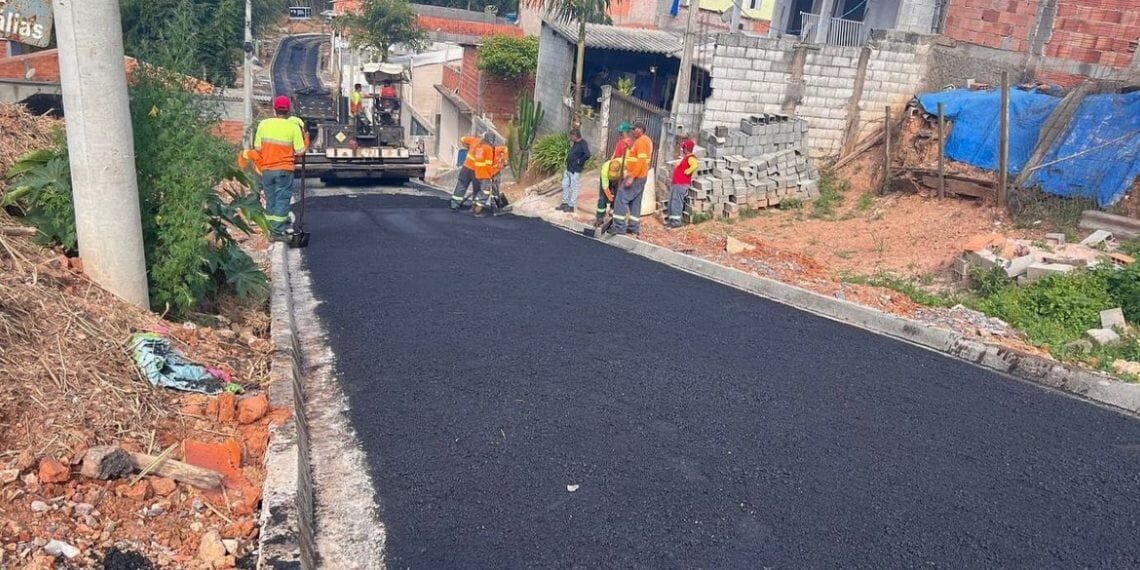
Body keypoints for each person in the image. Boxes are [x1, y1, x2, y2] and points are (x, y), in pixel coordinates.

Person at [245, 95, 306, 240]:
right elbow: (300, 150)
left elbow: (258, 147)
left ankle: (271, 228)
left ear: (274, 109)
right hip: (284, 169)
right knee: (282, 199)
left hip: (266, 170)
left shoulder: (263, 125)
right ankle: (277, 232)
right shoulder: (293, 127)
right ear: (288, 110)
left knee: (271, 199)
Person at [610, 121, 653, 236]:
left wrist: (631, 177)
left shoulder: (641, 142)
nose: (632, 132)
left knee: (621, 196)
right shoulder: (645, 141)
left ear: (640, 129)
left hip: (636, 175)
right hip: (641, 176)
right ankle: (633, 227)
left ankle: (619, 226)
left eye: (634, 129)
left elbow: (641, 161)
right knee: (635, 201)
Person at [450, 132, 495, 211]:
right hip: (477, 171)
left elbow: (462, 139)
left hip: (466, 168)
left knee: (462, 185)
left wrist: (467, 146)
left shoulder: (474, 140)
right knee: (477, 188)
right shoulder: (488, 148)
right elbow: (488, 164)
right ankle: (475, 206)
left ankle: (455, 203)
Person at [668, 138, 698, 229]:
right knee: (673, 202)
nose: (682, 150)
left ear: (687, 148)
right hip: (678, 183)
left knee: (677, 202)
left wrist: (687, 172)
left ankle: (676, 223)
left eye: (684, 148)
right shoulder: (686, 158)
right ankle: (673, 221)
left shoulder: (691, 158)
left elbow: (695, 165)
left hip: (681, 184)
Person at [559, 129, 591, 212]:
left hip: (575, 170)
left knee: (574, 187)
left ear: (575, 136)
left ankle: (571, 206)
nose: (570, 137)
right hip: (569, 168)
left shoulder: (583, 143)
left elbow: (587, 154)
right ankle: (565, 203)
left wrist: (580, 161)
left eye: (571, 136)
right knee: (565, 185)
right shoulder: (575, 143)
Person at [595, 156, 624, 227]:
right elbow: (605, 188)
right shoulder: (604, 170)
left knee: (618, 196)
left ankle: (614, 212)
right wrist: (610, 198)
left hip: (618, 179)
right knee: (602, 198)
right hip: (606, 179)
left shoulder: (624, 163)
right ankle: (600, 217)